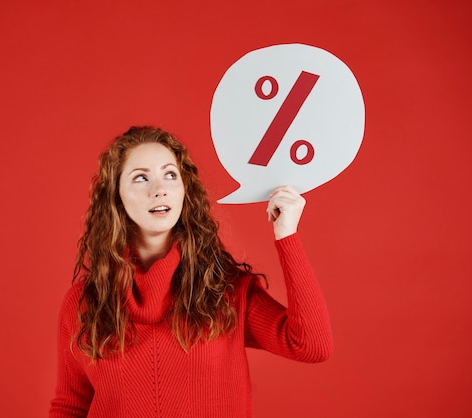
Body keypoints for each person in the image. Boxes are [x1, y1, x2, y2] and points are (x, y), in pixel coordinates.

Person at [49, 126, 333, 418]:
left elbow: (311, 345)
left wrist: (286, 235)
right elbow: (71, 406)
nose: (159, 189)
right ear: (116, 196)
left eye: (170, 175)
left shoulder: (224, 290)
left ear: (184, 189)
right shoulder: (85, 303)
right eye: (141, 177)